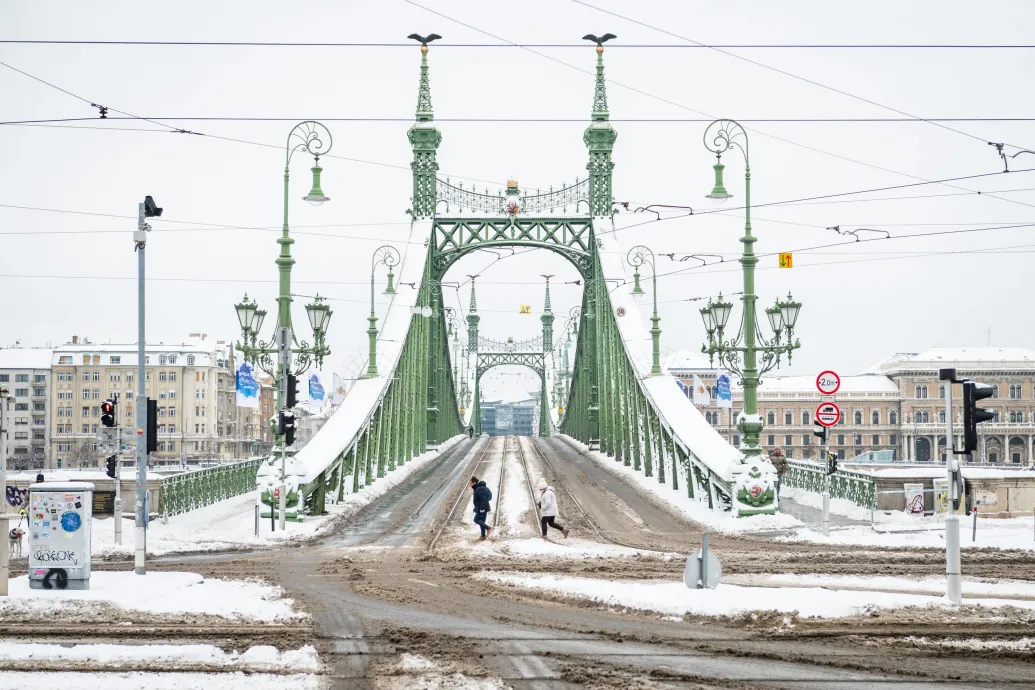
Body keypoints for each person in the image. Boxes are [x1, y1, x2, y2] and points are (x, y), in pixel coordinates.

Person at [469, 476, 493, 540]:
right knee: (482, 521)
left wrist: (482, 509)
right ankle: (483, 536)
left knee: (476, 520)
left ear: (474, 482)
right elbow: (478, 500)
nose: (470, 484)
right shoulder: (476, 488)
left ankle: (488, 528)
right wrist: (475, 508)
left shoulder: (479, 489)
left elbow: (483, 499)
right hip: (480, 507)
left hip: (482, 508)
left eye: (471, 483)